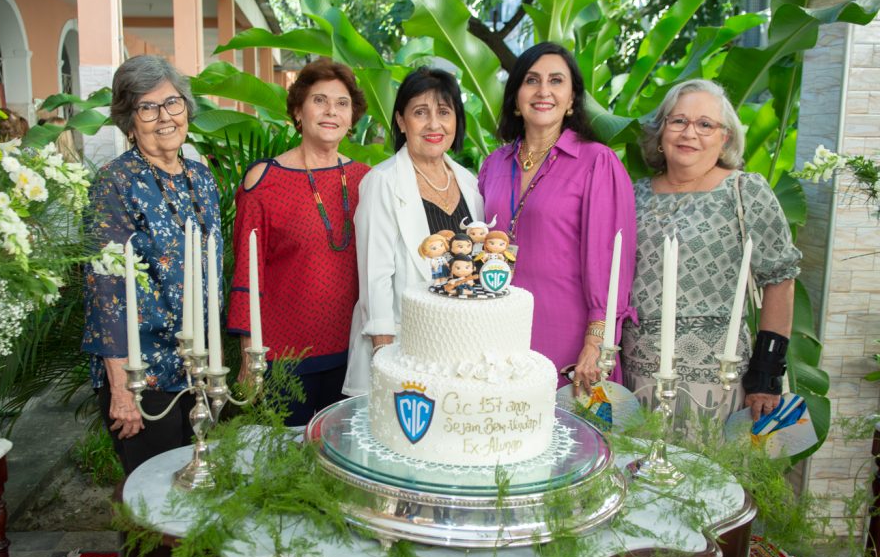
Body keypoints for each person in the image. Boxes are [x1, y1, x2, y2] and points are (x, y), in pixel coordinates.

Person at [81, 54, 221, 557]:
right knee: (148, 490)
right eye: (148, 107)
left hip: (197, 363)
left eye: (172, 102)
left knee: (195, 480)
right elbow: (105, 288)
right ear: (128, 117)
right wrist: (120, 387)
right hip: (142, 368)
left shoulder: (199, 175)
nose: (164, 116)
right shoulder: (114, 184)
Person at [621, 78, 801, 424]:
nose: (690, 133)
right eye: (678, 121)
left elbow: (781, 279)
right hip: (636, 377)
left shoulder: (744, 192)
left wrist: (767, 375)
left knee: (710, 473)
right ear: (661, 133)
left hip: (717, 382)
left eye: (705, 124)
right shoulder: (633, 194)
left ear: (725, 137)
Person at [477, 42, 636, 394]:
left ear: (571, 99)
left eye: (556, 81)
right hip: (499, 335)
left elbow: (609, 260)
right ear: (516, 97)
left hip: (569, 339)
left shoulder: (597, 162)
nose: (543, 91)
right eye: (531, 80)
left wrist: (596, 341)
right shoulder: (494, 164)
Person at [227, 58, 370, 426]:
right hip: (282, 359)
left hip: (353, 356)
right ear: (297, 110)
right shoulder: (264, 181)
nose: (331, 112)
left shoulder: (367, 181)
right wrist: (249, 357)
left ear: (352, 117)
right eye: (319, 100)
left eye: (342, 104)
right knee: (286, 472)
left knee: (341, 467)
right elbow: (247, 271)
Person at [342, 67, 484, 397]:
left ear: (456, 121)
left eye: (444, 112)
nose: (434, 124)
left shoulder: (470, 183)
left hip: (458, 353)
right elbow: (374, 276)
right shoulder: (383, 182)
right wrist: (385, 360)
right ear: (402, 122)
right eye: (421, 112)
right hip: (401, 349)